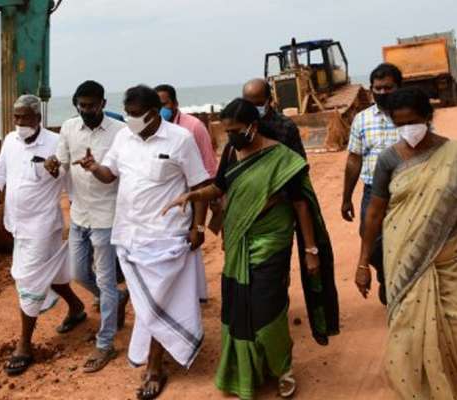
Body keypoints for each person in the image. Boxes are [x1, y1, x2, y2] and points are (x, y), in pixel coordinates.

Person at [163, 99, 339, 399]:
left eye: (234, 130)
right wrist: (192, 195)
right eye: (226, 130)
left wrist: (311, 251)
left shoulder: (282, 158)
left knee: (267, 309)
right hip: (238, 239)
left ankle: (282, 368)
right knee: (239, 306)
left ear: (252, 126)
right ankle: (249, 370)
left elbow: (300, 204)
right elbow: (219, 187)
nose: (229, 136)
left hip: (272, 240)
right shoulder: (232, 151)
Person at [74, 85, 210, 400]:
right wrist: (94, 168)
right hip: (129, 236)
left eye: (137, 115)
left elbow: (201, 185)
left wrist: (198, 226)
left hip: (167, 237)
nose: (131, 120)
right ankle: (162, 352)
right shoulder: (123, 137)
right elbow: (111, 174)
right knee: (147, 304)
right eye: (128, 114)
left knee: (156, 304)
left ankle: (154, 366)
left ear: (154, 113)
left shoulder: (180, 139)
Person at [355, 87, 457, 399]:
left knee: (453, 328)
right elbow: (375, 213)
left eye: (412, 121)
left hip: (450, 257)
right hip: (404, 257)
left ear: (428, 117)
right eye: (399, 125)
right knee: (409, 335)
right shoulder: (387, 160)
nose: (407, 130)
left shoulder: (452, 155)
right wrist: (362, 263)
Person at [0, 94, 85, 377]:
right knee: (54, 274)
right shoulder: (10, 141)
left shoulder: (56, 143)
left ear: (38, 117)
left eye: (24, 117)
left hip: (43, 226)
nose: (19, 122)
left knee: (29, 279)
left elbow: (71, 180)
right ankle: (76, 307)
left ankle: (24, 345)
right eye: (16, 117)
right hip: (18, 226)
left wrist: (58, 174)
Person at [44, 80, 129, 373]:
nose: (86, 110)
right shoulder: (68, 128)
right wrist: (55, 166)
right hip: (79, 214)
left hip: (107, 216)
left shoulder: (120, 133)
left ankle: (105, 344)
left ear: (103, 104)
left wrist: (95, 168)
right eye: (81, 105)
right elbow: (63, 164)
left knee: (105, 280)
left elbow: (116, 175)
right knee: (80, 273)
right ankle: (117, 298)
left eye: (91, 105)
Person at [342, 63, 403, 305]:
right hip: (373, 192)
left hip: (406, 192)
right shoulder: (361, 119)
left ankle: (398, 287)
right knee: (371, 241)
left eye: (388, 88)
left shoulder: (412, 116)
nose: (383, 92)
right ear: (371, 89)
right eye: (378, 88)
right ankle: (386, 274)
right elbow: (354, 160)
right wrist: (346, 197)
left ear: (399, 87)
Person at [155, 83, 217, 303]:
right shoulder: (155, 132)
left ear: (175, 104)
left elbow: (208, 172)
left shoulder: (193, 128)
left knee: (191, 244)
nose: (161, 109)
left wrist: (199, 223)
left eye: (164, 104)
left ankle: (193, 297)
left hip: (194, 197)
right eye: (157, 105)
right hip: (168, 202)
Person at [242, 78, 306, 159]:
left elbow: (299, 160)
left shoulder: (285, 126)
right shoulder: (241, 126)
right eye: (249, 104)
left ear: (269, 100)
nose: (254, 109)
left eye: (258, 104)